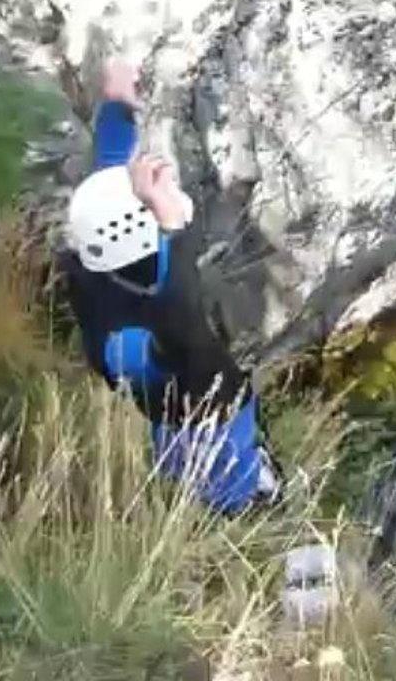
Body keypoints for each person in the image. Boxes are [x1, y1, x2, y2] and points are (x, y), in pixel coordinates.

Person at [61, 60, 281, 514]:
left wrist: (119, 101)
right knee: (227, 479)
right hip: (204, 427)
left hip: (168, 421)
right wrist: (171, 219)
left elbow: (110, 166)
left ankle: (192, 488)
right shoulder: (139, 341)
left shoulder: (98, 263)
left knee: (179, 461)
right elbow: (183, 320)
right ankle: (243, 503)